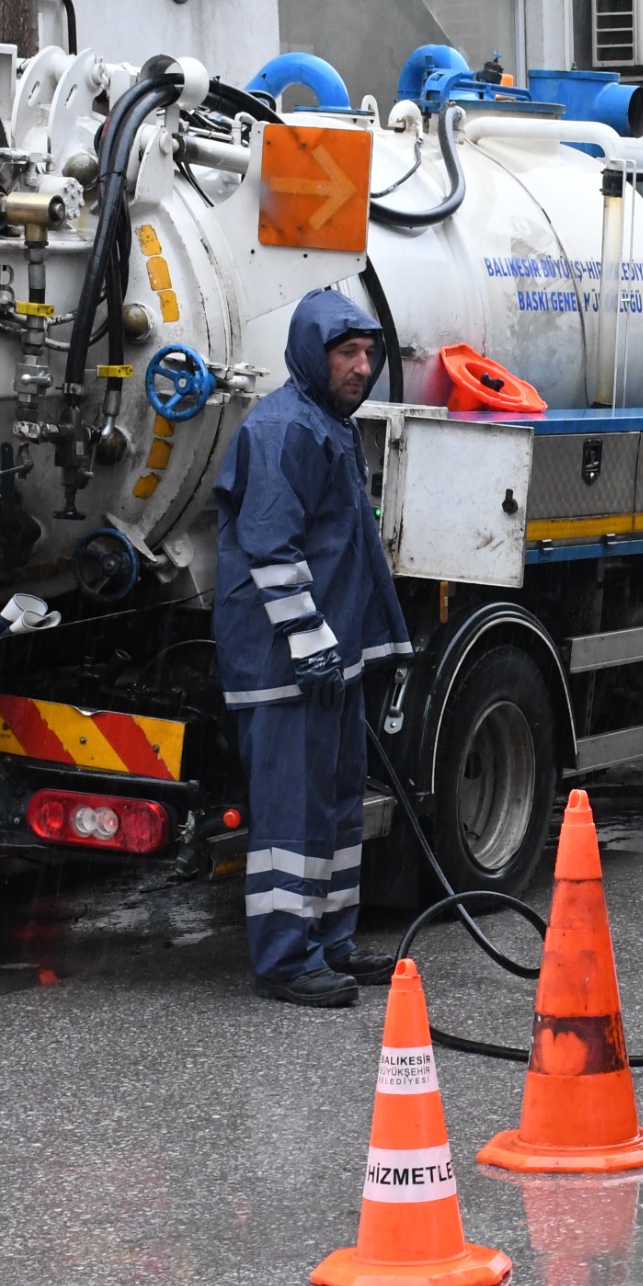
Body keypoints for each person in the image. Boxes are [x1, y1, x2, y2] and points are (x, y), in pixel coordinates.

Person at [213, 289, 411, 1008]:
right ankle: (285, 960)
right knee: (292, 816)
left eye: (368, 355)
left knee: (333, 809)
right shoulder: (284, 431)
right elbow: (270, 543)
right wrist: (309, 641)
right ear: (311, 355)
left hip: (327, 663)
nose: (361, 368)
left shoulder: (326, 426)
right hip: (287, 667)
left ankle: (329, 943)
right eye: (346, 354)